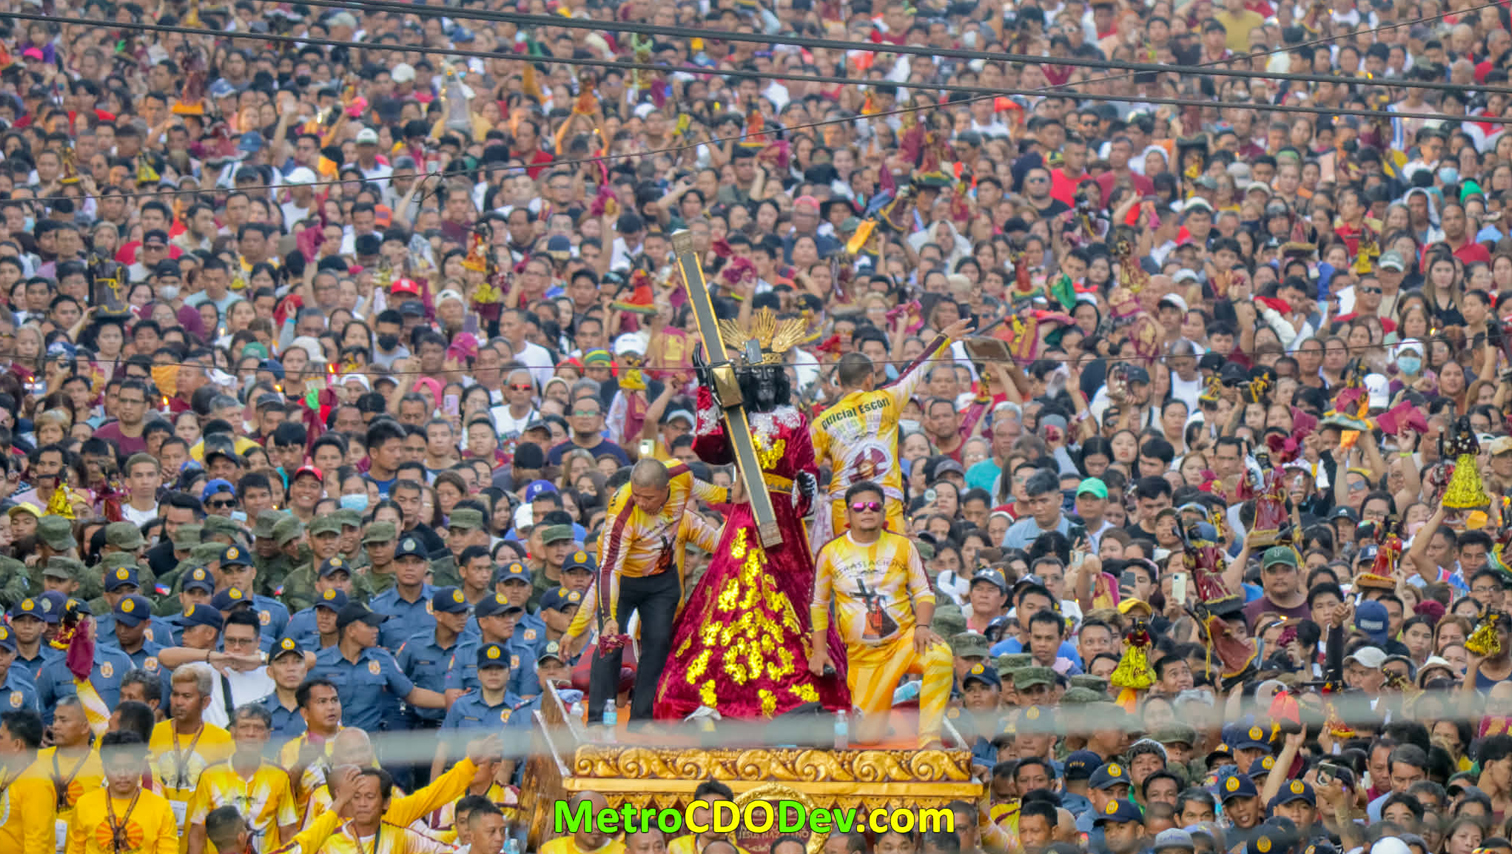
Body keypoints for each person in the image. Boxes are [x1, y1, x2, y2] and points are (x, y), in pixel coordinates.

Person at [655, 309, 848, 721]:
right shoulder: (737, 418)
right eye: (756, 379)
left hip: (783, 519)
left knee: (793, 593)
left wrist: (807, 486)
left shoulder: (793, 418)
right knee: (735, 589)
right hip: (746, 516)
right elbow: (710, 449)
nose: (763, 386)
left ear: (779, 381)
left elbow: (805, 464)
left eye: (769, 379)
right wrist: (706, 390)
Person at [577, 457, 723, 727]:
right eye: (636, 495)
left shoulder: (682, 475)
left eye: (648, 498)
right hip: (624, 581)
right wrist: (608, 616)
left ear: (666, 488)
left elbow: (713, 493)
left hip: (662, 581)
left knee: (657, 645)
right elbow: (609, 568)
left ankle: (643, 718)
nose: (641, 503)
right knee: (610, 645)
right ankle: (598, 721)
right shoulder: (623, 512)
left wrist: (735, 497)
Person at [810, 481, 951, 745]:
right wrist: (820, 651)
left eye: (874, 506)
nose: (867, 511)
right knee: (867, 738)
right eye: (860, 507)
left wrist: (922, 627)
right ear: (848, 514)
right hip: (863, 657)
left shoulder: (903, 547)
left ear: (884, 513)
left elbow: (924, 593)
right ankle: (882, 714)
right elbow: (818, 605)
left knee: (940, 656)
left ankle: (929, 740)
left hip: (903, 642)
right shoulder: (829, 553)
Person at [69, 730, 180, 854]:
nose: (123, 774)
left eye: (130, 767)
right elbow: (75, 849)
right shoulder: (85, 804)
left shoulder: (161, 808)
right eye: (115, 768)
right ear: (105, 768)